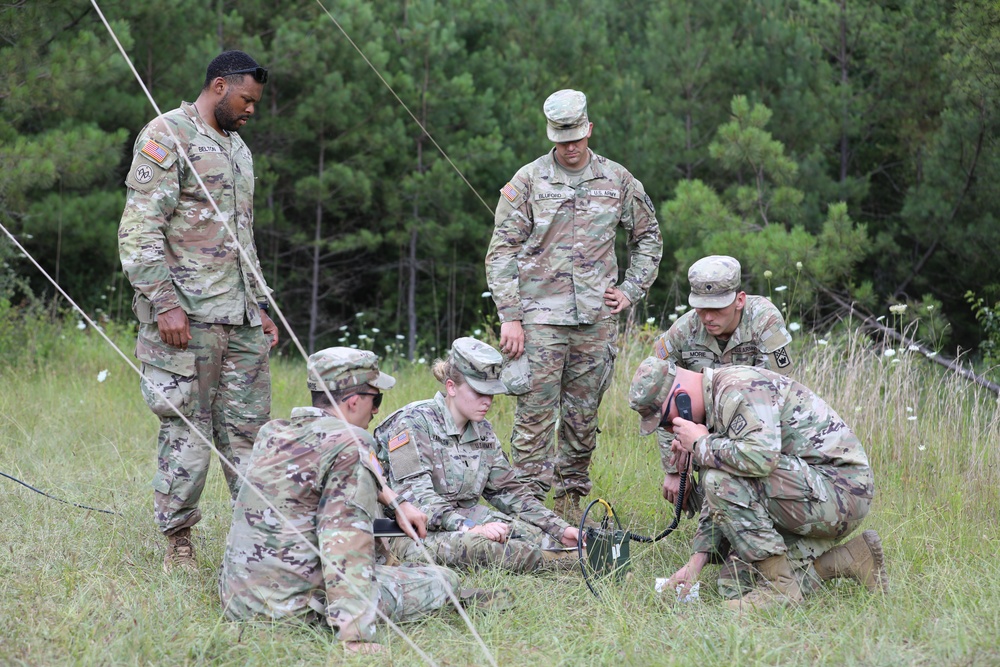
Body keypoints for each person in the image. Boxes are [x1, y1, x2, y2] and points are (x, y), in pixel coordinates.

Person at [118, 50, 279, 572]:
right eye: (246, 99)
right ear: (218, 86)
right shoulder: (169, 135)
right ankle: (179, 542)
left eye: (256, 102)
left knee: (251, 431)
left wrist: (261, 305)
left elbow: (242, 239)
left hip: (241, 317)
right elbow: (139, 230)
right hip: (188, 317)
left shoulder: (239, 150)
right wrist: (164, 303)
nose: (252, 109)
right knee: (188, 429)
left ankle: (259, 537)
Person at [485, 89, 663, 521]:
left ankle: (568, 507)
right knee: (534, 418)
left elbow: (648, 238)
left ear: (589, 130)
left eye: (576, 138)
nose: (569, 147)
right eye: (561, 138)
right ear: (552, 135)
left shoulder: (618, 180)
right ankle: (525, 512)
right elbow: (501, 251)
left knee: (583, 418)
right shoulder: (528, 181)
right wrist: (510, 315)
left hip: (595, 322)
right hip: (539, 322)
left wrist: (630, 289)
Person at [219, 348, 459, 654]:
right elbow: (346, 538)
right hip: (292, 609)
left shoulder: (274, 433)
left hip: (240, 600)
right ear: (354, 401)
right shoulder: (351, 442)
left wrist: (394, 500)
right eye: (376, 399)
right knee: (443, 579)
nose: (375, 411)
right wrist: (355, 636)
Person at [628, 356, 888, 611]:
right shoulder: (713, 405)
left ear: (681, 399)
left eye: (665, 421)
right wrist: (697, 561)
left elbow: (759, 460)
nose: (670, 430)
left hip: (842, 494)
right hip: (807, 495)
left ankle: (780, 588)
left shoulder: (737, 388)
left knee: (718, 477)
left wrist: (700, 445)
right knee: (733, 587)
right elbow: (724, 485)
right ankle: (848, 559)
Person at [374, 338, 582, 572]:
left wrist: (559, 529)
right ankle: (568, 563)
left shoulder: (483, 431)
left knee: (533, 534)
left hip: (462, 520)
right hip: (405, 532)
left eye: (492, 393)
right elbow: (417, 499)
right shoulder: (412, 423)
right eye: (479, 392)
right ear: (451, 386)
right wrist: (469, 527)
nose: (487, 401)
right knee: (484, 546)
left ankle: (572, 553)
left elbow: (510, 492)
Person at [651, 255, 793, 510]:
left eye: (717, 308)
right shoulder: (683, 333)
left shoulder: (764, 322)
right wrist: (674, 469)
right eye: (701, 307)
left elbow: (777, 394)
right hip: (706, 430)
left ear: (739, 300)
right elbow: (660, 401)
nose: (707, 317)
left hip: (760, 428)